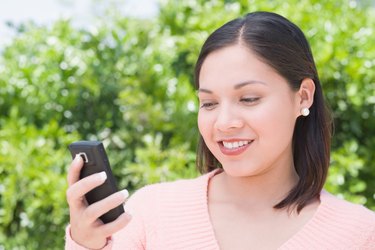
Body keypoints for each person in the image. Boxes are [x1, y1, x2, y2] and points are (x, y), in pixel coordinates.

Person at [65, 11, 375, 249]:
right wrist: (84, 243)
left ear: (303, 96)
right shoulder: (151, 213)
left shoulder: (358, 233)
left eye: (249, 98)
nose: (224, 122)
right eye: (209, 103)